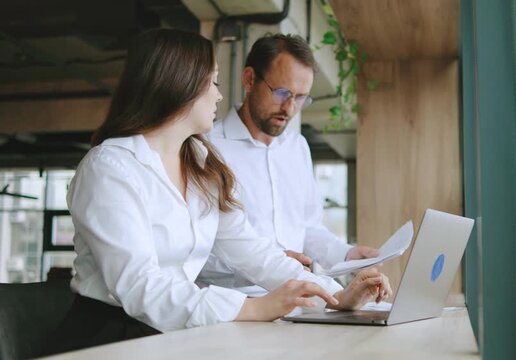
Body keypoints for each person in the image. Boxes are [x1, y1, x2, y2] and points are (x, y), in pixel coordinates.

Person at [45, 28, 391, 355]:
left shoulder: (200, 162)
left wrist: (337, 296)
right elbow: (140, 286)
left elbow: (255, 251)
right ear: (178, 84)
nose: (219, 94)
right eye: (212, 82)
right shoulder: (110, 167)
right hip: (109, 338)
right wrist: (253, 307)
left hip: (172, 330)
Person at [198, 34, 379, 292]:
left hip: (298, 300)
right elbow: (198, 248)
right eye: (282, 92)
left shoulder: (297, 148)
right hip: (233, 306)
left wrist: (347, 255)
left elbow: (307, 228)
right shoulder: (206, 147)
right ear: (249, 79)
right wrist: (272, 267)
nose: (290, 108)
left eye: (301, 97)